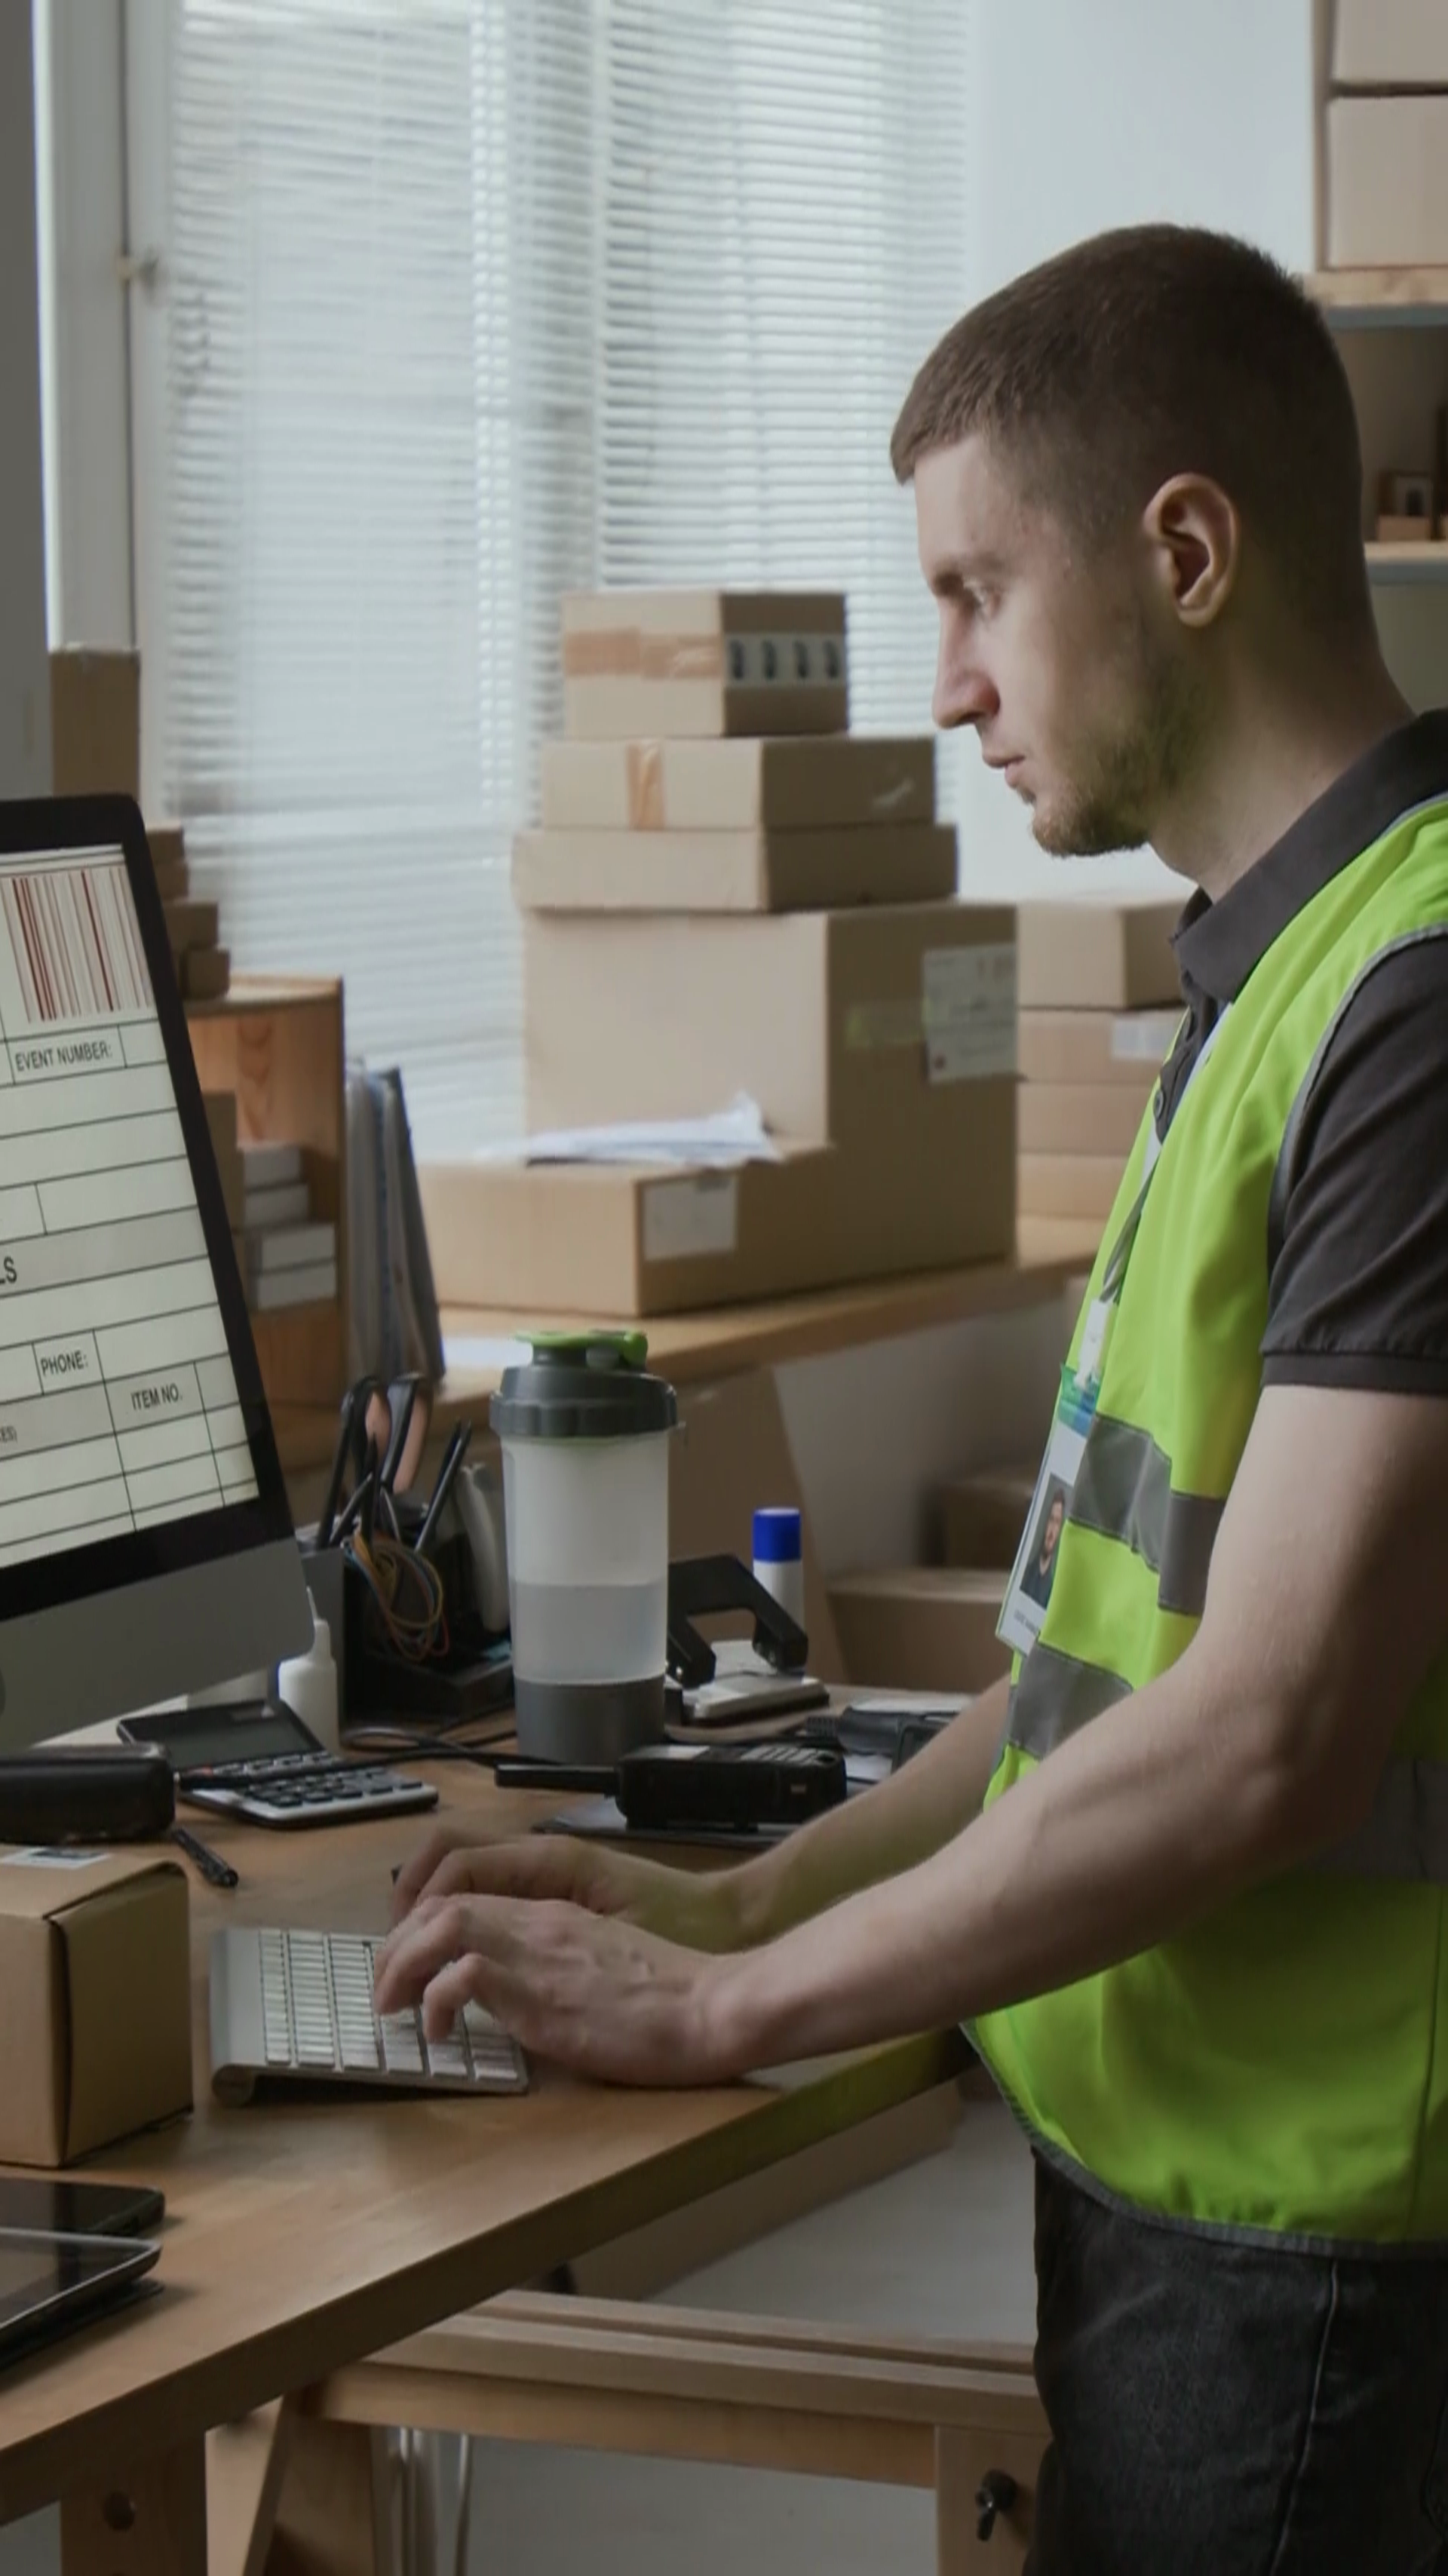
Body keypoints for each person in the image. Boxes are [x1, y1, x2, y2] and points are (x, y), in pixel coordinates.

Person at [377, 225, 1448, 2572]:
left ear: (1185, 552)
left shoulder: (1417, 1002)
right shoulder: (1271, 970)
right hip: (1173, 2180)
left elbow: (1270, 1734)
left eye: (978, 589)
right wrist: (738, 1908)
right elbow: (1082, 1690)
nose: (947, 680)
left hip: (1325, 2249)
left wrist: (717, 2015)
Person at [1020, 1484, 1065, 1611]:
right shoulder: (1026, 1573)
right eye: (1051, 1519)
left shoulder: (1054, 1589)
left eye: (1057, 1522)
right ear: (1046, 1522)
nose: (1052, 1531)